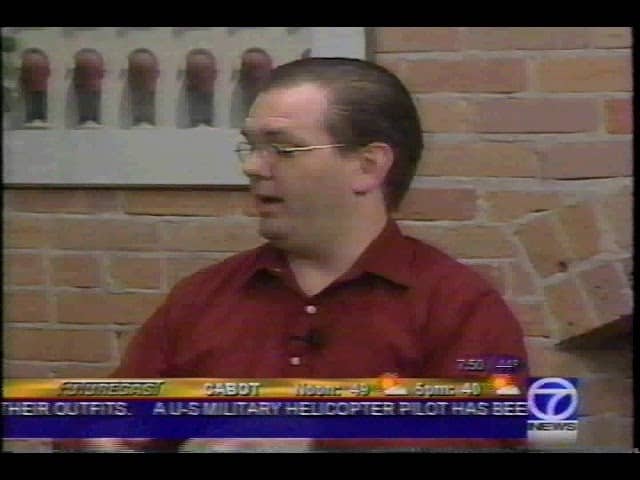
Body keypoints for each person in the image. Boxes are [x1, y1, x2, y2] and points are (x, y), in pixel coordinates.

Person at [56, 57, 528, 452]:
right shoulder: (201, 299)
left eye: (282, 149)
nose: (251, 166)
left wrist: (314, 439)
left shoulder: (458, 305)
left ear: (368, 166)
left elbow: (488, 441)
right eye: (251, 147)